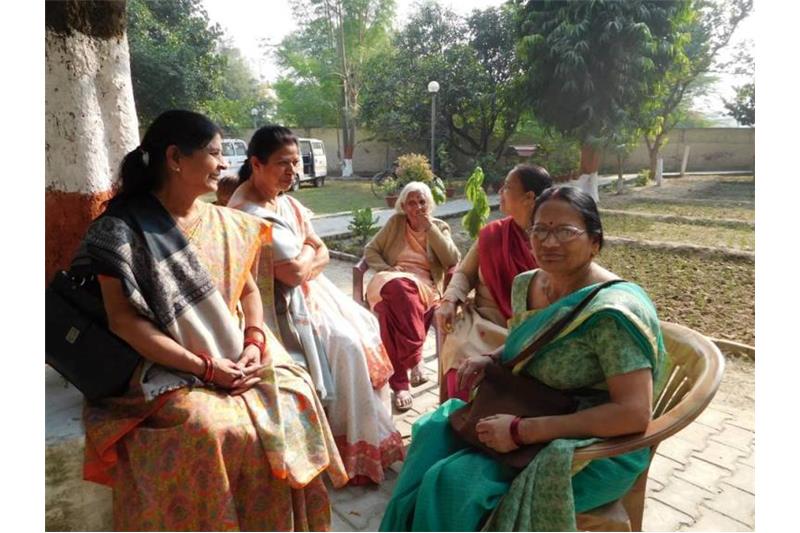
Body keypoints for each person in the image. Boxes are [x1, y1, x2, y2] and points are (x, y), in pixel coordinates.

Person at [75, 110, 348, 531]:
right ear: (175, 157)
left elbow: (250, 291)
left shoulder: (230, 223)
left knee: (295, 396)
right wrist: (205, 367)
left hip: (239, 352)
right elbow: (126, 322)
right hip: (164, 364)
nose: (224, 165)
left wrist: (255, 341)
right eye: (215, 153)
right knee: (211, 429)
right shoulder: (119, 232)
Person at [379, 186, 670, 532]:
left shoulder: (612, 313)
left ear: (595, 241)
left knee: (451, 482)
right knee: (431, 431)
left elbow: (633, 413)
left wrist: (521, 431)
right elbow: (533, 341)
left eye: (565, 231)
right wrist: (492, 358)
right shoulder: (527, 285)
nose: (549, 242)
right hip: (530, 403)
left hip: (590, 443)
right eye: (540, 230)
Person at [228, 125, 404, 486]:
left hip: (312, 292)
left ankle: (369, 437)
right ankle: (344, 454)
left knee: (366, 325)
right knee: (347, 347)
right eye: (283, 163)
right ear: (256, 164)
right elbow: (291, 274)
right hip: (277, 310)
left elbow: (314, 253)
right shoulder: (246, 212)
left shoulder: (285, 201)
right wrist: (308, 259)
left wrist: (306, 259)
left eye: (296, 162)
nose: (292, 171)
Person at [436, 164, 552, 401]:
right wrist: (449, 300)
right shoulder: (493, 234)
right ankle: (457, 426)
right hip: (481, 321)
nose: (500, 191)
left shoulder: (551, 242)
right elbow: (464, 273)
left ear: (529, 198)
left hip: (528, 331)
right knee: (460, 359)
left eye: (507, 187)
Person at [364, 182, 461, 411]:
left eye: (422, 202)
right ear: (403, 205)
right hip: (391, 280)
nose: (417, 207)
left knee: (386, 313)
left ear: (429, 204)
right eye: (411, 202)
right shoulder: (396, 223)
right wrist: (386, 267)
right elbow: (370, 250)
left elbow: (452, 259)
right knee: (397, 288)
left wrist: (430, 229)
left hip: (424, 285)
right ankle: (414, 360)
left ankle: (399, 385)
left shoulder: (439, 226)